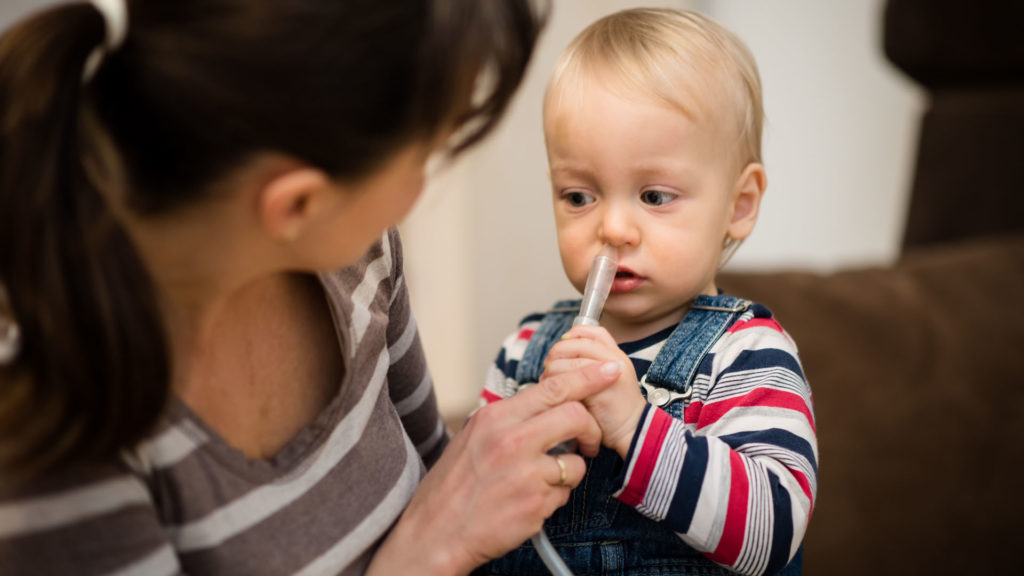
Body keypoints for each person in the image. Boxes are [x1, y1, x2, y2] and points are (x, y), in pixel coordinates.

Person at [0, 1, 625, 574]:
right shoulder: (55, 444)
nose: (418, 192)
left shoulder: (358, 261)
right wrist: (423, 554)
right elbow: (440, 526)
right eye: (424, 156)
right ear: (297, 204)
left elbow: (439, 478)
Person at [477, 8, 818, 576]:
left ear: (739, 205)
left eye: (655, 197)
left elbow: (771, 533)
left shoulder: (748, 354)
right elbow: (471, 502)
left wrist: (635, 429)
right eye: (579, 196)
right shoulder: (525, 349)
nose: (611, 229)